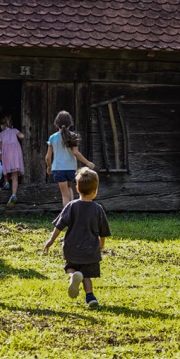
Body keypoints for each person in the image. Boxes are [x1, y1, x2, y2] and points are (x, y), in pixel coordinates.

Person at [42, 167, 110, 308]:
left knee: (70, 267)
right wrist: (101, 245)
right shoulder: (98, 209)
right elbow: (103, 232)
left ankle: (73, 276)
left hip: (72, 248)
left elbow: (60, 225)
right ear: (95, 190)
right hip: (90, 249)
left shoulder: (71, 206)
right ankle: (90, 298)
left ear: (77, 189)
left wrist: (51, 240)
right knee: (87, 275)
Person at [45, 110, 95, 208]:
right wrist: (88, 162)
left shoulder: (52, 138)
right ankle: (73, 213)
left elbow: (47, 157)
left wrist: (49, 166)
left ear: (56, 123)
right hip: (71, 168)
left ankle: (67, 216)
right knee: (69, 188)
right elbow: (75, 152)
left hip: (58, 169)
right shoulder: (72, 136)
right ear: (70, 123)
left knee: (64, 195)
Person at [0, 116, 25, 208]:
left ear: (2, 125)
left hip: (6, 154)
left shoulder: (0, 134)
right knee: (15, 177)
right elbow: (22, 136)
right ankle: (13, 194)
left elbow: (0, 146)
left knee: (4, 167)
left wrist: (1, 154)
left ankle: (6, 182)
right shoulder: (15, 131)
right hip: (16, 155)